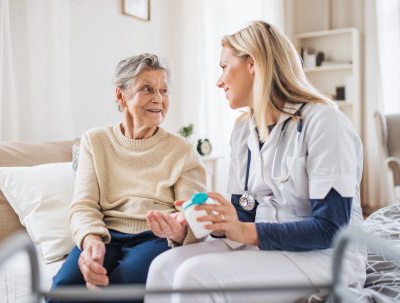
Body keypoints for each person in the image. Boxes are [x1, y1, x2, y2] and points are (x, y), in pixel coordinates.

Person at [145, 21, 366, 303]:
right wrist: (194, 224)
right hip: (266, 245)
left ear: (253, 64)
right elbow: (244, 211)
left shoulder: (324, 122)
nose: (219, 80)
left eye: (225, 67)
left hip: (324, 257)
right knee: (163, 266)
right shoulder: (243, 131)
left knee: (194, 276)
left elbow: (330, 229)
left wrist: (242, 230)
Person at [48, 53, 206, 303]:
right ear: (120, 96)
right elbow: (83, 205)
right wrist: (90, 240)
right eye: (147, 89)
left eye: (164, 91)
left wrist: (179, 229)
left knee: (121, 288)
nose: (159, 99)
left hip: (155, 237)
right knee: (63, 288)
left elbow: (192, 213)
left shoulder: (182, 150)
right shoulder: (95, 141)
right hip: (106, 234)